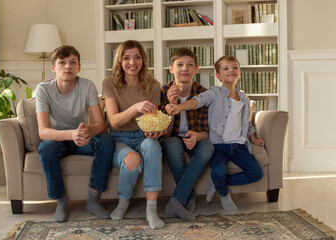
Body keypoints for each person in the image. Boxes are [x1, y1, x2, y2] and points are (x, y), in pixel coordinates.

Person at [166, 55, 265, 211]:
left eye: (235, 68)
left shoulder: (244, 98)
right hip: (218, 146)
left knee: (257, 174)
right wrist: (179, 107)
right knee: (219, 171)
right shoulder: (214, 93)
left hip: (239, 146)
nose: (231, 70)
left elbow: (246, 122)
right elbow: (197, 101)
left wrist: (253, 138)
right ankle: (224, 194)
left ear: (240, 73)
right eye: (226, 68)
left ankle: (219, 182)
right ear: (218, 76)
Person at [35, 45, 114, 222]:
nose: (68, 66)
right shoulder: (43, 89)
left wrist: (86, 130)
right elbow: (43, 132)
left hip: (83, 139)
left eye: (73, 62)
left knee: (106, 140)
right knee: (45, 147)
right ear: (53, 68)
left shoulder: (87, 86)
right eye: (62, 63)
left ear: (79, 67)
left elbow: (101, 125)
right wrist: (71, 134)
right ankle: (61, 202)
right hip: (59, 141)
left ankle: (93, 200)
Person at [102, 40, 165, 229]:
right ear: (120, 61)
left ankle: (151, 211)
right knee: (132, 160)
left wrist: (157, 131)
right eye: (127, 58)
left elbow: (156, 119)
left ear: (143, 60)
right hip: (119, 138)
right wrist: (136, 107)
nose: (132, 62)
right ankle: (123, 203)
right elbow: (113, 121)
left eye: (137, 57)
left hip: (144, 136)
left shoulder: (153, 85)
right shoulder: (109, 83)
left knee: (153, 146)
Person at [159, 48, 214, 220]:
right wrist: (171, 106)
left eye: (190, 65)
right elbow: (164, 135)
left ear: (196, 69)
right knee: (172, 144)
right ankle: (187, 198)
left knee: (208, 147)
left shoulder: (203, 94)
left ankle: (176, 200)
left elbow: (206, 132)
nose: (185, 69)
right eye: (180, 65)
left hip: (195, 139)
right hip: (172, 139)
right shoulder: (163, 92)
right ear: (171, 68)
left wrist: (197, 137)